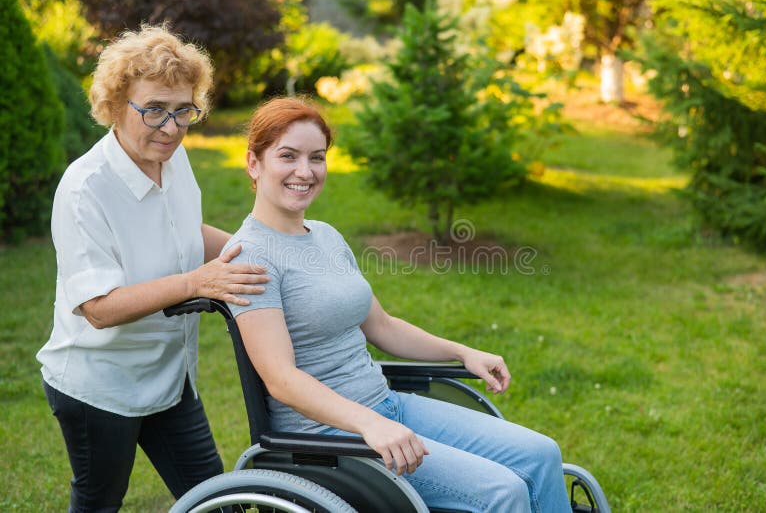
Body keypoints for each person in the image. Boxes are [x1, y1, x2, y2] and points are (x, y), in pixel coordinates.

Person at [224, 97, 572, 512]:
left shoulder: (325, 235)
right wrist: (369, 424)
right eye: (288, 156)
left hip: (386, 405)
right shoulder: (251, 257)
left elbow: (383, 326)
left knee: (542, 454)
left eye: (317, 157)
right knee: (504, 492)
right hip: (329, 437)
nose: (306, 171)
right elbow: (281, 379)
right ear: (253, 163)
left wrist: (462, 352)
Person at [36, 25, 270, 512]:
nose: (172, 127)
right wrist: (195, 282)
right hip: (99, 386)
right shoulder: (85, 189)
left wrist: (259, 251)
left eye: (184, 110)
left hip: (169, 377)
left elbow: (184, 230)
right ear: (115, 106)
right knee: (100, 502)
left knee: (220, 502)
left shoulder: (172, 156)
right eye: (155, 110)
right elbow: (97, 308)